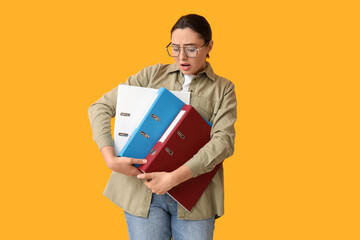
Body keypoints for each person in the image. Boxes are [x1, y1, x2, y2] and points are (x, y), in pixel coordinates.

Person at [88, 14, 237, 240]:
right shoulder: (151, 75)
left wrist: (173, 178)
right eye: (175, 48)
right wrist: (110, 159)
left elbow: (223, 143)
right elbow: (99, 107)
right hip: (142, 195)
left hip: (195, 199)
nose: (182, 56)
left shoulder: (223, 89)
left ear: (209, 46)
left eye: (191, 48)